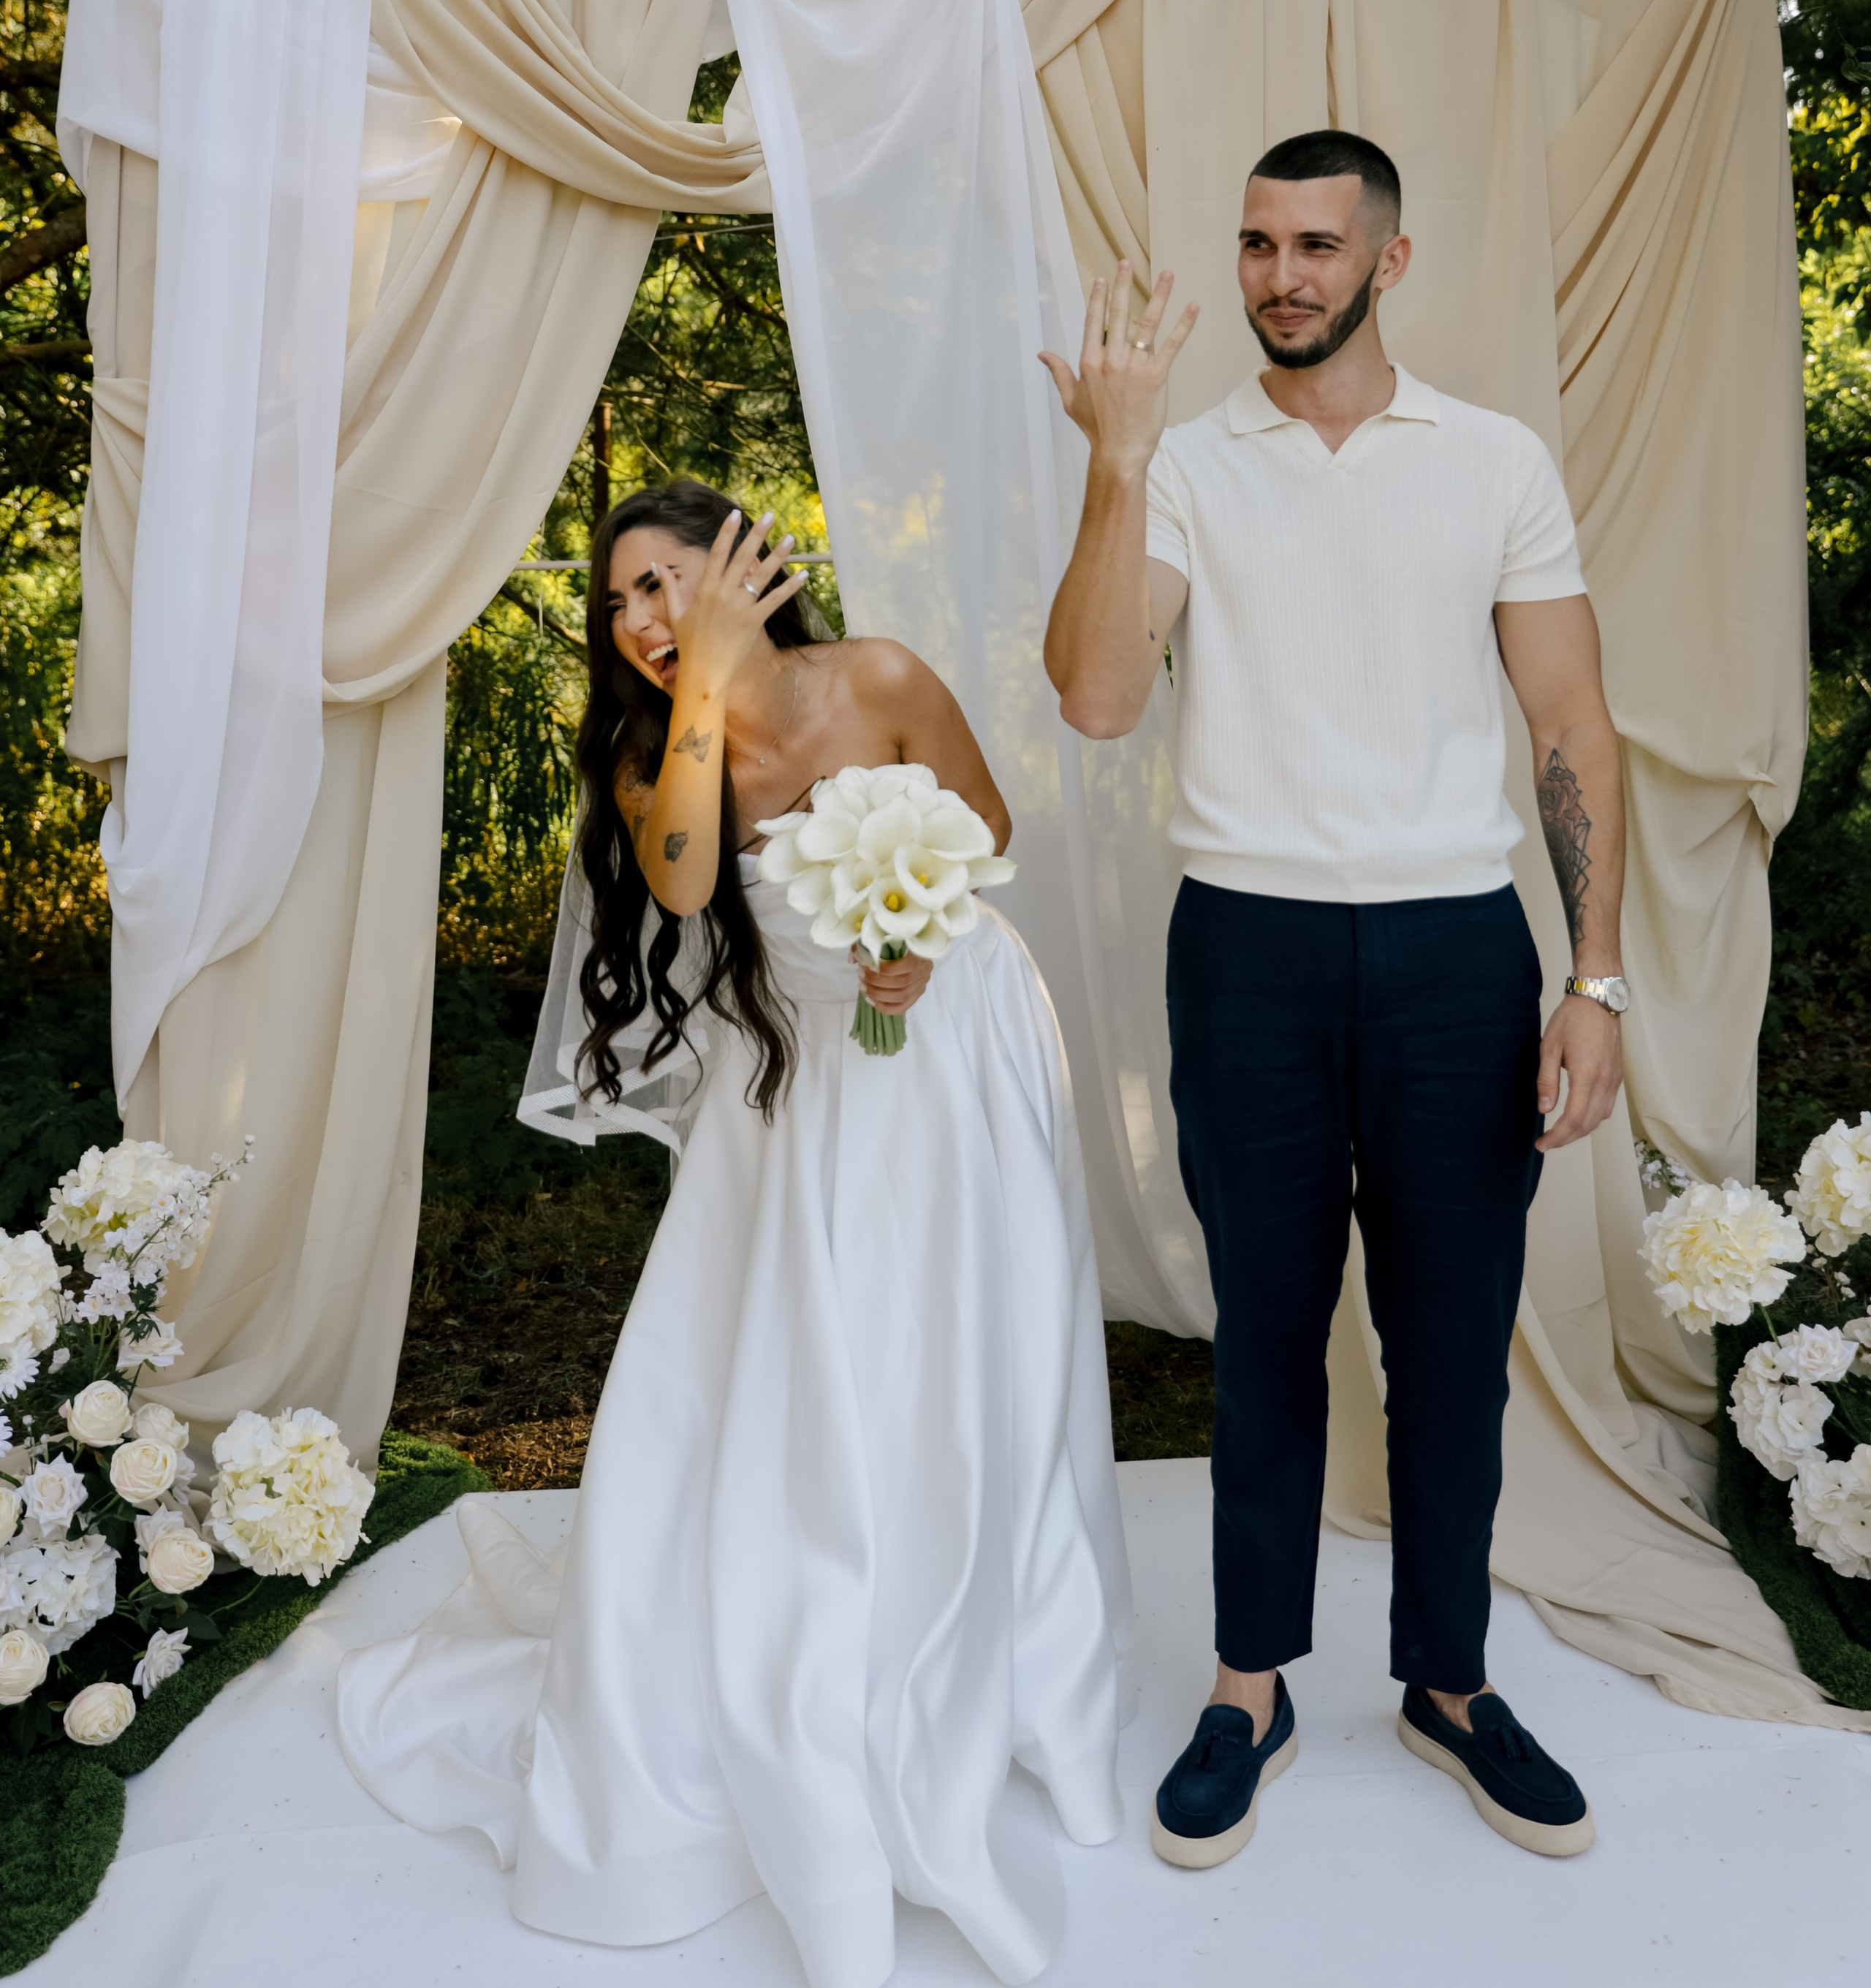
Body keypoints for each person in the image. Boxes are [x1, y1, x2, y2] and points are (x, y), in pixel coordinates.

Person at [338, 478, 1129, 1988]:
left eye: (663, 585)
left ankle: (997, 1642)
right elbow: (693, 880)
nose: (639, 619)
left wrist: (917, 930)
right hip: (810, 1073)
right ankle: (833, 1634)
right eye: (619, 603)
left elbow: (991, 826)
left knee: (980, 1338)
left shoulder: (879, 677)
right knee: (811, 1373)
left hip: (956, 1028)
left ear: (742, 573)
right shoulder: (652, 762)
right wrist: (699, 676)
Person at [1040, 130, 1624, 1870]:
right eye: (1254, 244)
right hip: (1250, 953)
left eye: (1313, 243)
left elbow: (1570, 727)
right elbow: (1088, 701)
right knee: (1264, 1344)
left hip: (1457, 949)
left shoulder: (1493, 459)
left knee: (1451, 1349)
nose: (1278, 274)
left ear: (1388, 257)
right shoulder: (1191, 468)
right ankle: (1247, 1688)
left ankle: (1446, 1683)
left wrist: (1590, 975)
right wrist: (1117, 465)